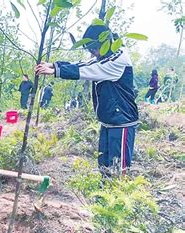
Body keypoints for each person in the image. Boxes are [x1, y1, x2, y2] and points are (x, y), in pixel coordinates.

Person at [35, 24, 138, 176]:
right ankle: (104, 196)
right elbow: (85, 63)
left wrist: (56, 71)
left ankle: (118, 198)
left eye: (94, 49)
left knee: (118, 169)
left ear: (104, 45)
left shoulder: (118, 60)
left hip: (122, 122)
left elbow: (89, 69)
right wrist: (54, 65)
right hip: (109, 120)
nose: (93, 53)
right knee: (104, 166)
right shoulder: (108, 56)